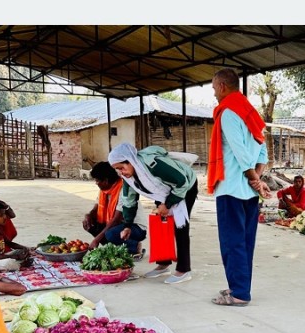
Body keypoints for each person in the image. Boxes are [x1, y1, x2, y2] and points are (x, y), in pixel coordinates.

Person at [208, 68, 271, 306]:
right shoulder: (250, 112)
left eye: (214, 88)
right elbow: (262, 150)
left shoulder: (228, 113)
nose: (214, 94)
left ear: (223, 86)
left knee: (232, 242)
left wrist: (253, 177)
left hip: (232, 188)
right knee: (245, 242)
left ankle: (239, 294)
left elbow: (239, 151)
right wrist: (257, 178)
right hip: (249, 192)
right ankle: (240, 287)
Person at [108, 143, 198, 285]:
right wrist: (128, 225)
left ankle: (183, 270)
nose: (121, 172)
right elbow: (129, 201)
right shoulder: (128, 178)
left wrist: (168, 204)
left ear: (130, 160)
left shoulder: (153, 165)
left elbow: (181, 182)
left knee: (180, 227)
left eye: (122, 167)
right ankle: (163, 263)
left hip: (186, 186)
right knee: (161, 224)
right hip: (162, 190)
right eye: (117, 170)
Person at [83, 161, 146, 256]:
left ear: (106, 180)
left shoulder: (122, 189)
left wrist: (96, 240)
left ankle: (134, 246)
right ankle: (116, 248)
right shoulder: (104, 191)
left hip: (135, 228)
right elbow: (96, 208)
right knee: (90, 224)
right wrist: (88, 216)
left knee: (110, 234)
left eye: (97, 180)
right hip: (119, 225)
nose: (96, 183)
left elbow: (116, 220)